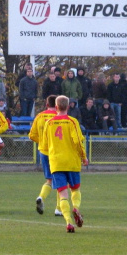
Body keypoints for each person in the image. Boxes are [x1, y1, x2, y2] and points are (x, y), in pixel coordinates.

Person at [39, 95, 88, 233]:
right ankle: (76, 208)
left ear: (56, 107)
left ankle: (68, 222)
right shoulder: (72, 122)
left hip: (56, 162)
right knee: (75, 189)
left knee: (62, 193)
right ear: (68, 107)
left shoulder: (49, 123)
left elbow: (45, 144)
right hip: (71, 161)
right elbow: (78, 141)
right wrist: (83, 156)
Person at [28, 95, 58, 216]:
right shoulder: (59, 117)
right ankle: (59, 209)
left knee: (49, 180)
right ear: (57, 105)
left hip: (43, 151)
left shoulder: (39, 116)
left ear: (46, 104)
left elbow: (31, 135)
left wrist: (41, 141)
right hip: (57, 152)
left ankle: (41, 197)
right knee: (62, 181)